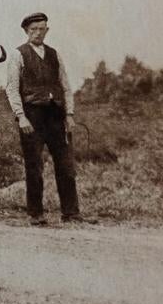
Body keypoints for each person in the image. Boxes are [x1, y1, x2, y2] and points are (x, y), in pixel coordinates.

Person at [5, 12, 97, 226]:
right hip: (32, 117)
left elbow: (65, 86)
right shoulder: (18, 55)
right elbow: (12, 89)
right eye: (33, 30)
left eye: (42, 29)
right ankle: (36, 214)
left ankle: (71, 213)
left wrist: (70, 115)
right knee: (34, 166)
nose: (38, 33)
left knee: (66, 165)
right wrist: (21, 117)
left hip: (56, 117)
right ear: (26, 31)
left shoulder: (55, 55)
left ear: (47, 30)